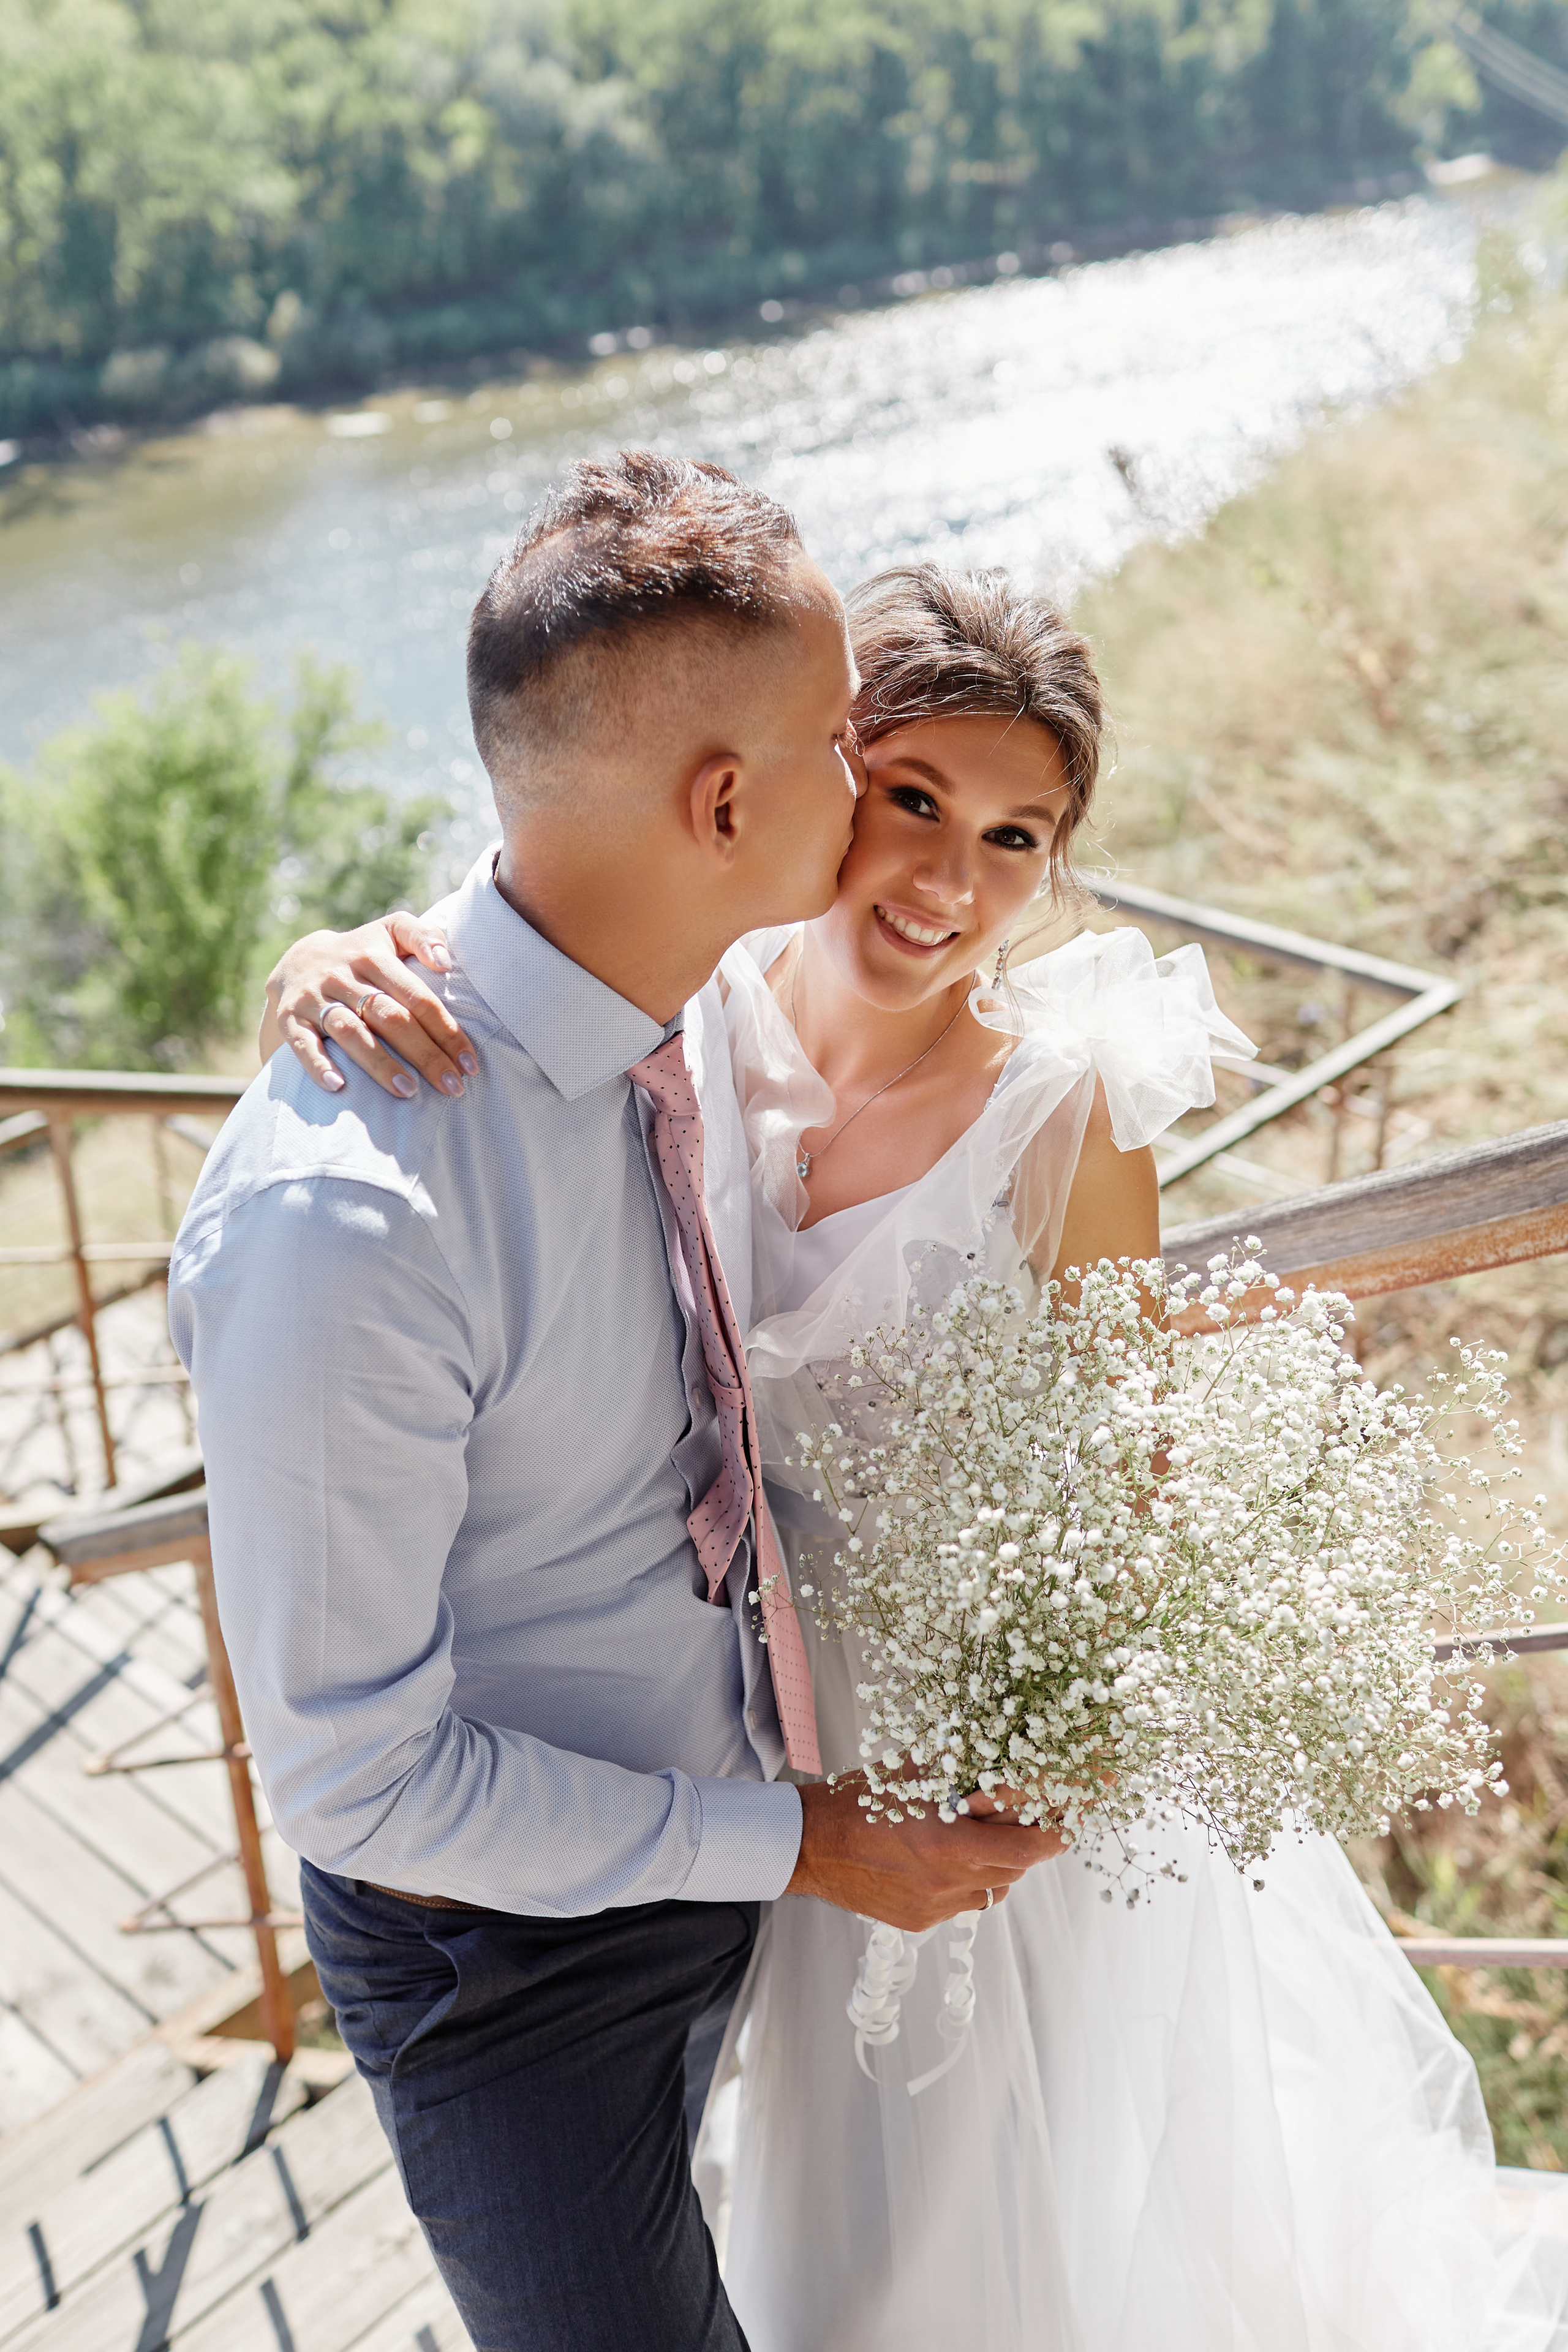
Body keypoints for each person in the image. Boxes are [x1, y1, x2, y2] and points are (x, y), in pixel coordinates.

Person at [273, 559, 1568, 2350]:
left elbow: (1126, 1499)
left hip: (966, 1776)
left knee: (998, 2240)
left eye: (1020, 838)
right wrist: (319, 957)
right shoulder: (690, 1013)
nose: (954, 883)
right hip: (768, 1778)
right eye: (913, 803)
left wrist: (1031, 1756)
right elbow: (507, 922)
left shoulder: (1065, 1117)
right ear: (819, 781)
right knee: (826, 2231)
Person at [168, 456, 1065, 2352]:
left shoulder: (675, 991)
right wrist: (810, 1845)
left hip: (743, 1827)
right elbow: (356, 1783)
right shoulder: (356, 1219)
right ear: (730, 803)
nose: (875, 779)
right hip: (510, 1951)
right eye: (853, 747)